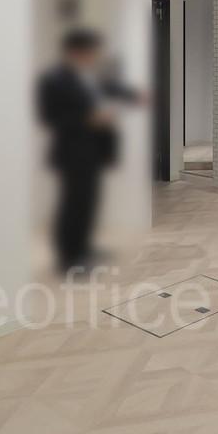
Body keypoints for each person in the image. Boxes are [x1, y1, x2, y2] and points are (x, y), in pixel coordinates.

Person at [37, 29, 141, 275]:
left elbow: (112, 90)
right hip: (72, 152)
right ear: (75, 52)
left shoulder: (90, 76)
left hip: (95, 151)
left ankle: (84, 247)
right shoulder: (53, 79)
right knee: (72, 204)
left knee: (89, 203)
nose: (95, 56)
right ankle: (68, 258)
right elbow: (49, 117)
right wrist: (87, 119)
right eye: (92, 52)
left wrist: (135, 96)